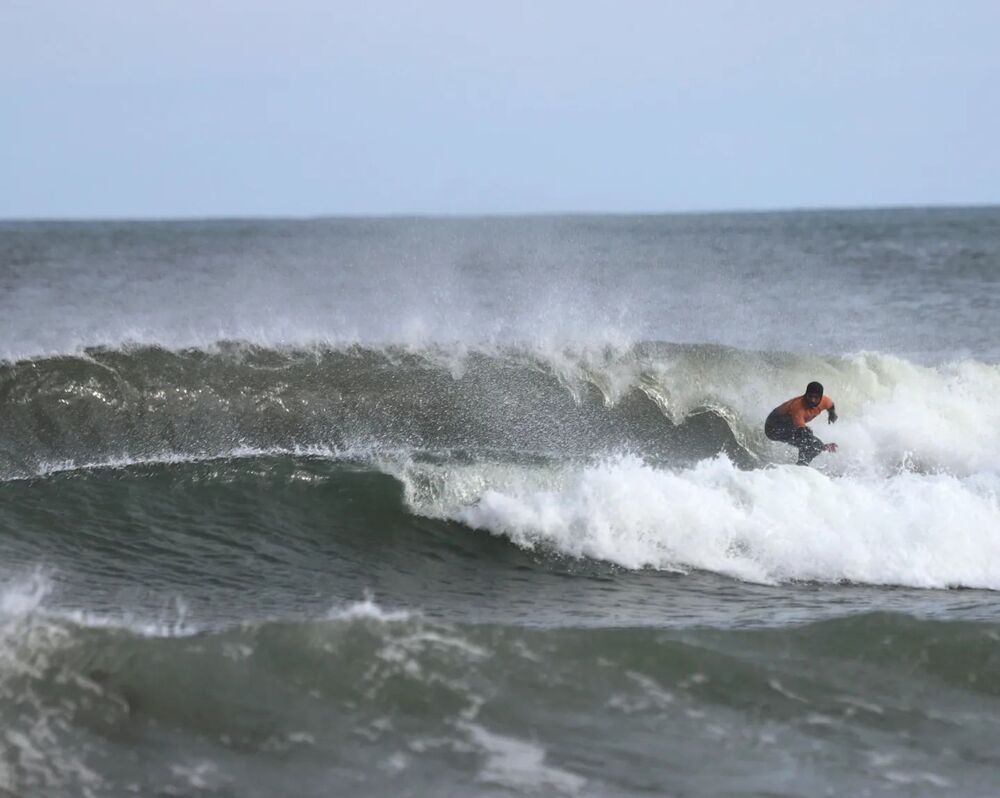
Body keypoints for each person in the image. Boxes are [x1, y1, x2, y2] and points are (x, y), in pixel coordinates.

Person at [765, 381, 838, 465]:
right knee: (809, 442)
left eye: (816, 397)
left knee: (812, 444)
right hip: (774, 427)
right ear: (805, 395)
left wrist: (832, 414)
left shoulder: (825, 401)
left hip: (790, 425)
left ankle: (801, 467)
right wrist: (822, 446)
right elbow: (802, 433)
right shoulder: (798, 407)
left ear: (821, 398)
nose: (812, 400)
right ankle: (800, 467)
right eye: (810, 396)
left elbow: (831, 406)